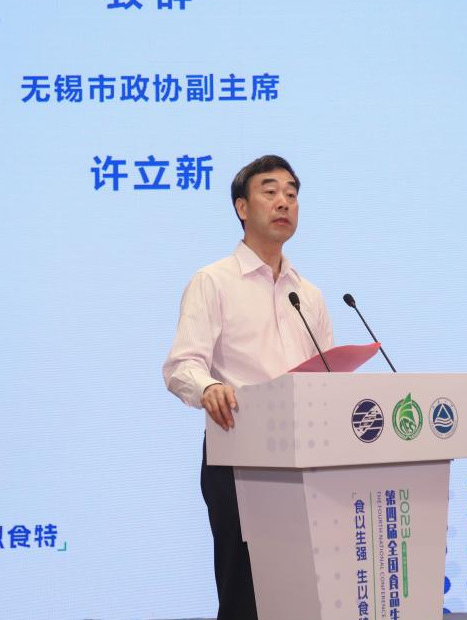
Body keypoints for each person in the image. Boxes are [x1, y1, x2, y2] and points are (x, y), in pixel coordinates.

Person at [162, 154, 333, 620]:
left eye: (292, 194)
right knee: (246, 599)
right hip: (240, 457)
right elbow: (181, 365)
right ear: (242, 207)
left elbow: (327, 377)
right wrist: (208, 387)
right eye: (270, 191)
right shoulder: (213, 282)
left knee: (307, 596)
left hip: (306, 459)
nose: (284, 202)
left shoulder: (309, 295)